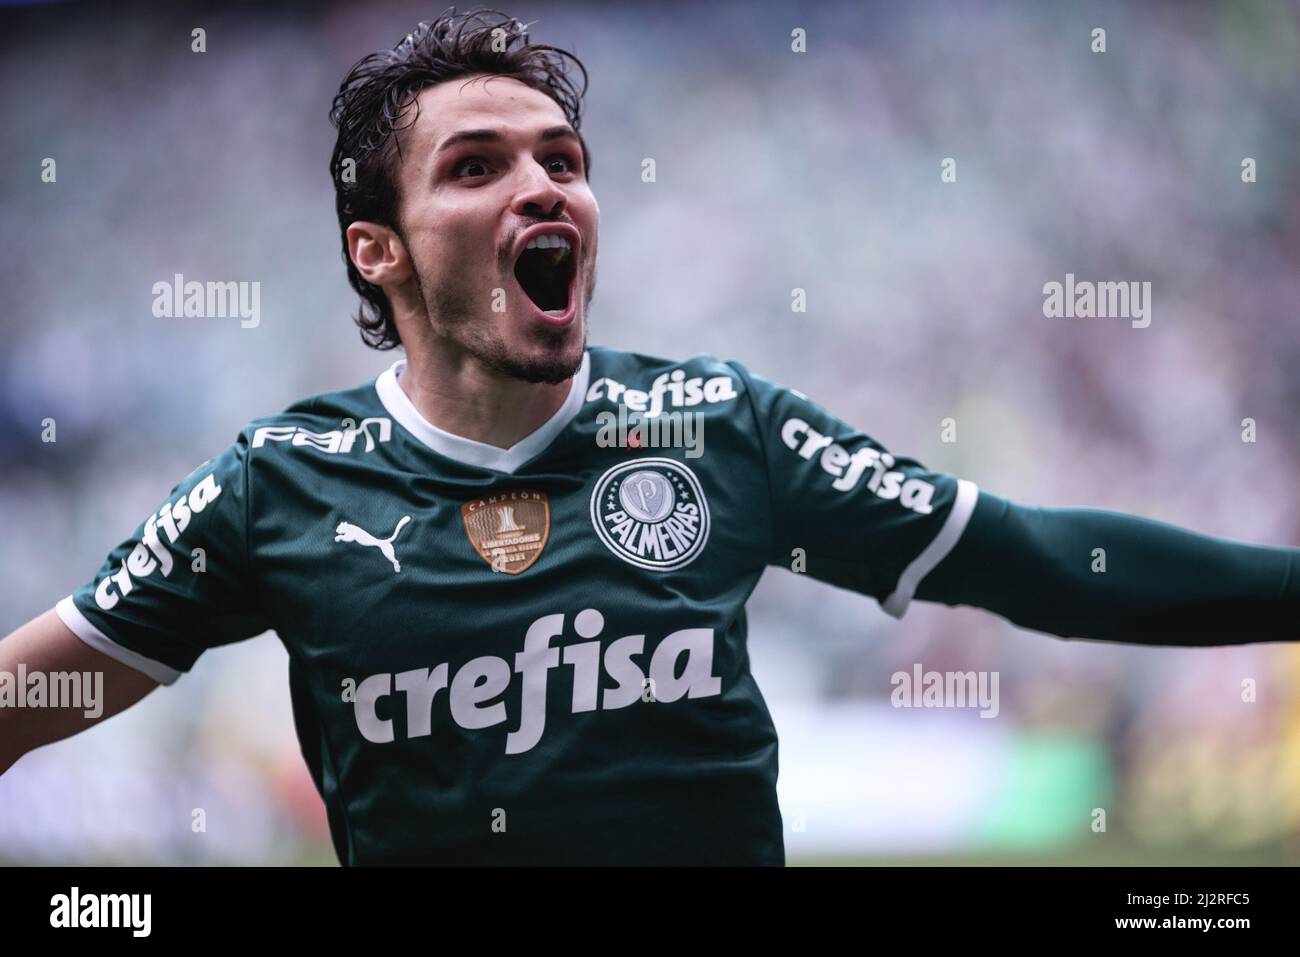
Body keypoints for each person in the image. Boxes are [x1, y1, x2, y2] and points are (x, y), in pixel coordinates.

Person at [1, 9, 1295, 865]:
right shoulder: (276, 487)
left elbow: (1039, 560)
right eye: (475, 166)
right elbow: (36, 690)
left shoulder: (718, 425)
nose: (542, 183)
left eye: (561, 155)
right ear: (377, 252)